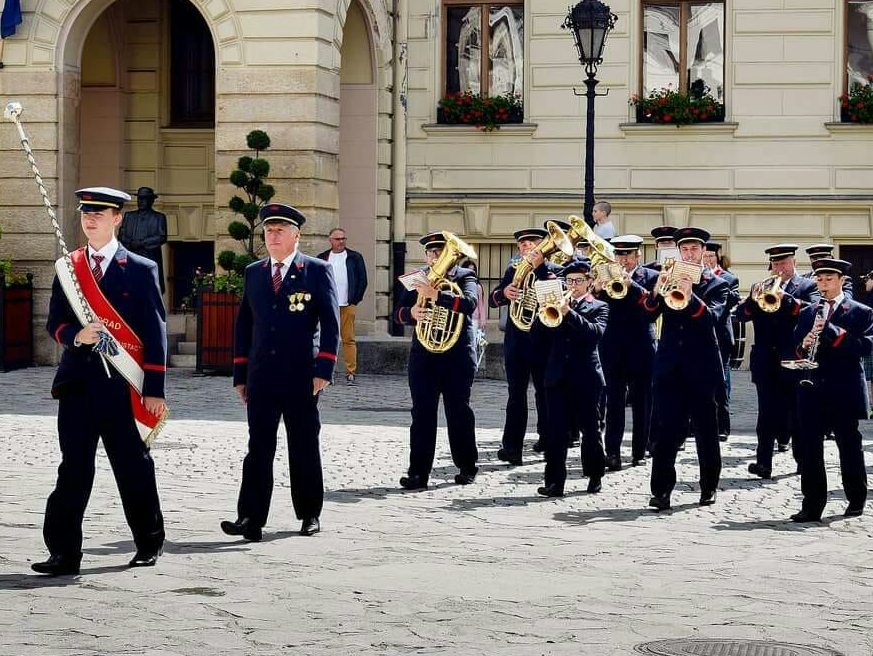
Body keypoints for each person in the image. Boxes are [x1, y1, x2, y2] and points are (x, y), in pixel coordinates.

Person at [34, 187, 168, 575]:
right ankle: (63, 552)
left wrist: (154, 390)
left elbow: (155, 331)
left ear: (117, 218)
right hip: (77, 384)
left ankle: (148, 543)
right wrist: (77, 336)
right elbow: (54, 322)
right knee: (73, 469)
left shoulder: (140, 269)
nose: (90, 220)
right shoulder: (68, 268)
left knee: (133, 468)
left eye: (100, 213)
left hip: (123, 386)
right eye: (85, 214)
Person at [222, 204, 339, 540]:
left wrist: (324, 368)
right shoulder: (255, 271)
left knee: (303, 444)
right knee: (258, 447)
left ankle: (309, 513)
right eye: (268, 231)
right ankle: (250, 518)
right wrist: (240, 375)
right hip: (261, 375)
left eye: (279, 231)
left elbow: (330, 323)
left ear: (296, 235)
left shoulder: (315, 270)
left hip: (301, 374)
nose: (272, 236)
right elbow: (245, 325)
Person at [642, 227, 727, 510]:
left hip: (702, 368)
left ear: (704, 252)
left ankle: (708, 487)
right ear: (679, 252)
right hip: (669, 366)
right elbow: (648, 312)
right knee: (666, 431)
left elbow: (713, 318)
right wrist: (658, 288)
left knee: (706, 431)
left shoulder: (716, 283)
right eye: (685, 250)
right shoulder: (666, 277)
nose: (689, 254)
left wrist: (690, 296)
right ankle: (661, 491)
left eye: (694, 249)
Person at [394, 232, 480, 489]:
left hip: (456, 357)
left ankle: (467, 466)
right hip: (424, 356)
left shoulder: (465, 276)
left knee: (458, 413)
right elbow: (398, 313)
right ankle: (418, 473)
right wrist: (411, 312)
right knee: (421, 415)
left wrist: (437, 296)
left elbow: (470, 304)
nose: (434, 258)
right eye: (430, 253)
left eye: (439, 253)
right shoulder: (417, 279)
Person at [789, 258, 872, 522]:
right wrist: (804, 341)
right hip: (811, 387)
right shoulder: (806, 312)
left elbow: (865, 347)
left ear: (841, 282)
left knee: (848, 445)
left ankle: (856, 498)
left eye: (828, 280)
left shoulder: (860, 311)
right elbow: (796, 350)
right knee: (810, 448)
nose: (822, 285)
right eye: (819, 280)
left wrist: (831, 330)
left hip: (843, 388)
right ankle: (812, 505)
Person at [738, 244, 820, 478]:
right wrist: (752, 301)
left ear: (794, 262)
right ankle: (763, 462)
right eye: (775, 264)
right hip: (765, 359)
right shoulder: (760, 287)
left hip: (793, 358)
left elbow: (813, 311)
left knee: (796, 412)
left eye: (783, 263)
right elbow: (740, 316)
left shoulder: (807, 286)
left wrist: (788, 299)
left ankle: (802, 461)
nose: (779, 268)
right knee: (766, 412)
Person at [536, 258, 609, 497]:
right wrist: (541, 312)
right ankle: (554, 482)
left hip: (586, 377)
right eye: (569, 281)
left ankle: (595, 474)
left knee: (591, 429)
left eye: (578, 280)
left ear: (589, 282)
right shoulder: (554, 304)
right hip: (557, 376)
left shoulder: (599, 306)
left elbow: (594, 334)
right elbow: (536, 337)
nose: (573, 285)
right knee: (555, 432)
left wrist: (568, 313)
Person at [594, 235, 659, 470]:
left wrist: (632, 286)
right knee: (614, 402)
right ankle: (612, 452)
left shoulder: (650, 277)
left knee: (643, 402)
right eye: (619, 255)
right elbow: (595, 308)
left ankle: (639, 451)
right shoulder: (605, 274)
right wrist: (598, 291)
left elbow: (653, 309)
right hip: (612, 346)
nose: (623, 260)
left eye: (627, 255)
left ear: (637, 256)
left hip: (641, 346)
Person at [490, 228, 548, 465]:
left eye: (531, 244)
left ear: (542, 247)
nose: (526, 248)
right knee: (516, 395)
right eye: (522, 245)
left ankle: (547, 439)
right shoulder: (513, 270)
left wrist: (541, 269)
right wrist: (505, 292)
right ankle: (512, 447)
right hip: (517, 341)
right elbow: (495, 297)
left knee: (545, 394)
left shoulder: (553, 272)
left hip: (544, 342)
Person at [318, 228, 368, 385]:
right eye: (338, 239)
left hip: (347, 304)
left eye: (343, 238)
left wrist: (355, 300)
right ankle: (326, 372)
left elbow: (362, 280)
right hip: (327, 305)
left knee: (348, 339)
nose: (341, 242)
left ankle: (350, 372)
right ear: (330, 240)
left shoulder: (354, 257)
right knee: (326, 339)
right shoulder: (322, 258)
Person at [703, 241, 740, 441]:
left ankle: (722, 426)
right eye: (705, 256)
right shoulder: (695, 276)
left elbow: (731, 301)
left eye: (711, 256)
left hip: (721, 335)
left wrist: (714, 282)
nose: (708, 260)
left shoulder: (729, 278)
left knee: (721, 381)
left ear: (718, 258)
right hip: (700, 335)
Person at [119, 187, 168, 293]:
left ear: (151, 201)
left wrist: (142, 243)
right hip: (131, 259)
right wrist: (131, 243)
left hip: (149, 259)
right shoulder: (129, 216)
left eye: (144, 199)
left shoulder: (159, 217)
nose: (141, 201)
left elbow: (161, 237)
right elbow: (121, 236)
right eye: (139, 199)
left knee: (150, 291)